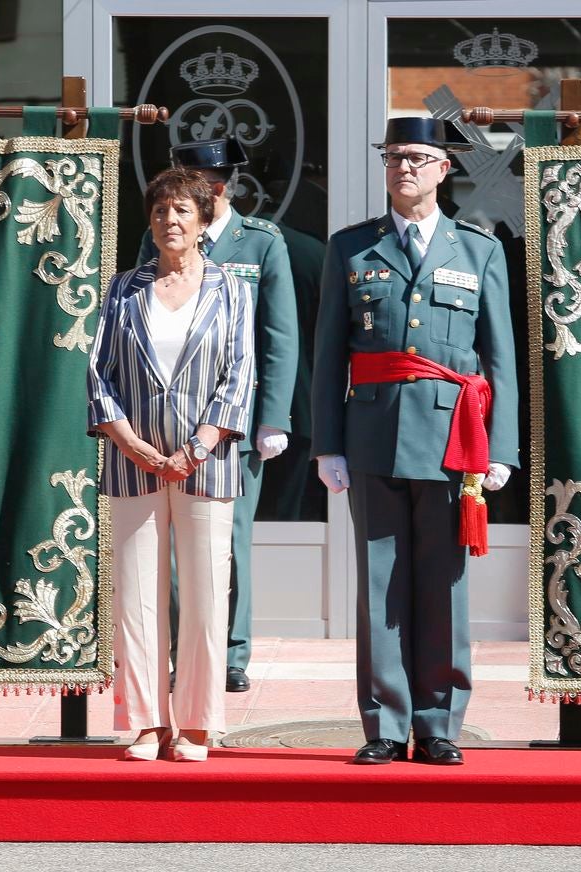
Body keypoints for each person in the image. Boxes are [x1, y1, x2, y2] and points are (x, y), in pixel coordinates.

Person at [310, 118, 518, 765]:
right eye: (395, 157)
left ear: (442, 169)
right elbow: (326, 356)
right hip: (372, 434)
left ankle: (438, 723)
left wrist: (503, 448)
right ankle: (384, 725)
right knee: (380, 586)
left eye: (418, 158)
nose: (404, 168)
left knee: (443, 583)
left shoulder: (479, 251)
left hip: (454, 442)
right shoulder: (350, 250)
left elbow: (500, 358)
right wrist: (327, 444)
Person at [89, 166, 254, 761]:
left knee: (208, 593)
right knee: (136, 593)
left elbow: (241, 375)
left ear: (205, 219)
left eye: (183, 210)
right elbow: (99, 373)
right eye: (161, 211)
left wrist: (198, 446)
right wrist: (130, 442)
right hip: (134, 459)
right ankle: (144, 721)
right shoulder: (123, 288)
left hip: (205, 462)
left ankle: (198, 722)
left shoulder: (232, 288)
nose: (170, 221)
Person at [137, 137, 297, 693]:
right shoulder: (157, 238)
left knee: (230, 542)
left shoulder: (260, 242)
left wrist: (273, 415)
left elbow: (279, 336)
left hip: (234, 420)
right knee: (176, 550)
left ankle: (231, 651)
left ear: (223, 184)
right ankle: (182, 648)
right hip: (167, 416)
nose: (194, 193)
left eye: (206, 182)